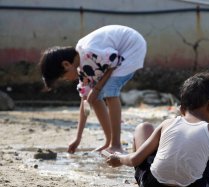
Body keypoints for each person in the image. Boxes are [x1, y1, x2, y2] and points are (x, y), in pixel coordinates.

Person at [39, 25, 147, 154]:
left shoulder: (90, 53)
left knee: (110, 90)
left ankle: (116, 145)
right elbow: (85, 102)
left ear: (66, 64)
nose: (66, 80)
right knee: (92, 97)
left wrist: (97, 88)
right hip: (117, 54)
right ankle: (109, 141)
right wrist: (78, 138)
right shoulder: (82, 68)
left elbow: (114, 60)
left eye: (63, 76)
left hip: (131, 47)